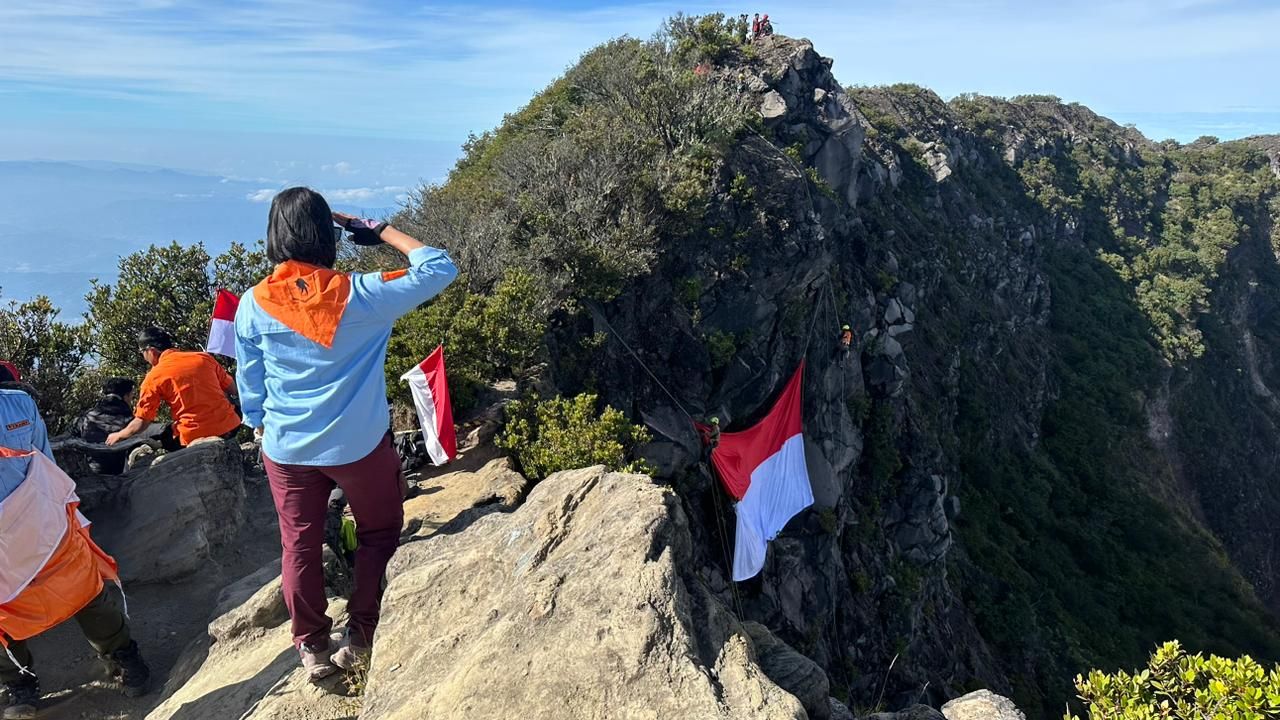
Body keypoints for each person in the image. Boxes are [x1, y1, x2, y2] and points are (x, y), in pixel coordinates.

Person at [235, 187, 457, 680]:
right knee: (378, 532)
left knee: (300, 545)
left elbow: (249, 383)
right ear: (328, 234)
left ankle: (312, 648)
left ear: (274, 235)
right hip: (359, 445)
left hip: (288, 448)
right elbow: (439, 267)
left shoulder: (251, 305)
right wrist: (379, 231)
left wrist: (259, 422)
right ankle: (361, 636)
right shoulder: (363, 294)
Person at [0, 385, 149, 719]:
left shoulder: (19, 405)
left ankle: (122, 656)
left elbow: (44, 463)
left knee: (84, 589)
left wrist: (60, 509)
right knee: (2, 615)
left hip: (42, 523)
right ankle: (18, 682)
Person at [105, 328, 241, 449]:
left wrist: (119, 435)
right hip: (230, 426)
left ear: (151, 351)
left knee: (158, 433)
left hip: (192, 435)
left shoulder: (154, 376)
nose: (144, 357)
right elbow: (233, 389)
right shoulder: (203, 358)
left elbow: (142, 422)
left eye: (142, 352)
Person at [75, 377, 136, 444]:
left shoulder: (85, 417)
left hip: (89, 453)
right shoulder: (133, 422)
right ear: (126, 396)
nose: (131, 401)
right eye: (132, 396)